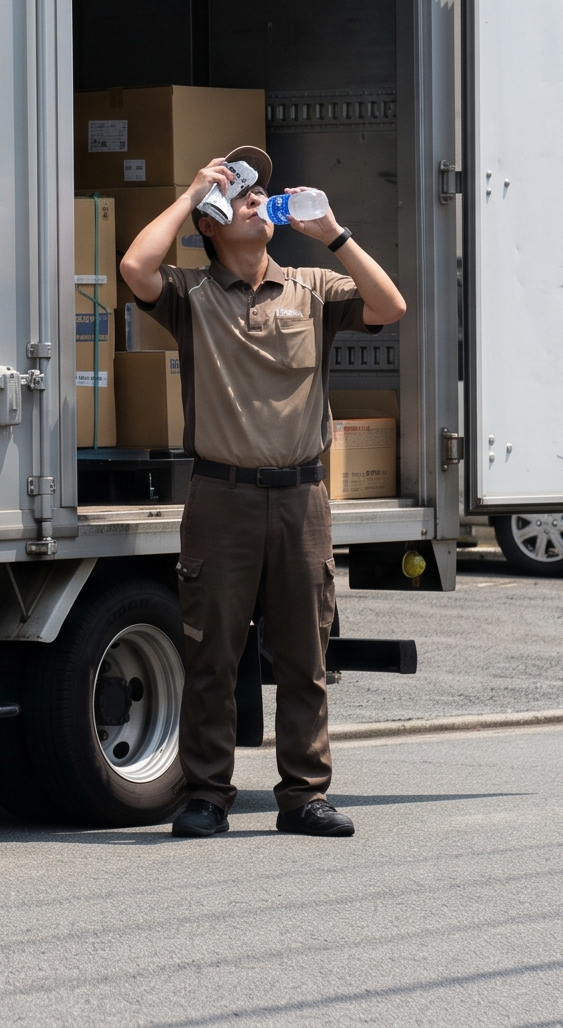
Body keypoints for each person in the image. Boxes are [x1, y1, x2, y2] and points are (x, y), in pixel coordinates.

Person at [117, 145, 407, 839]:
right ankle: (207, 795)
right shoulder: (192, 295)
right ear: (213, 225)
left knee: (306, 655)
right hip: (223, 497)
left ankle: (304, 797)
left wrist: (333, 232)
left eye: (261, 194)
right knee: (212, 653)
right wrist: (192, 194)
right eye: (241, 196)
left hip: (302, 498)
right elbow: (134, 267)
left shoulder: (311, 286)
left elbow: (388, 305)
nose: (257, 201)